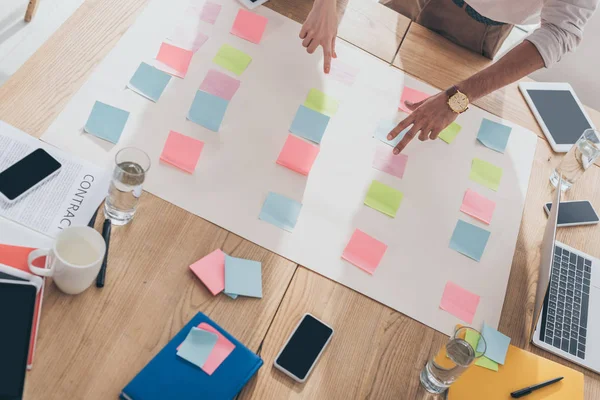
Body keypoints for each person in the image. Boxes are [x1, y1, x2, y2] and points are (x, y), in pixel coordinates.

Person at [299, 0, 599, 154]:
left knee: (410, 126)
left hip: (473, 23)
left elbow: (561, 31)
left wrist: (458, 98)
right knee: (369, 86)